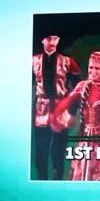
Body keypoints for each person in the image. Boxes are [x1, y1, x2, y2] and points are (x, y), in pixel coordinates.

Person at [55, 50, 100, 181]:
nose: (93, 71)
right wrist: (58, 114)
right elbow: (69, 100)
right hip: (84, 135)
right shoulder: (82, 85)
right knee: (81, 167)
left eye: (97, 68)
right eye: (90, 67)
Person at [32, 34, 81, 180]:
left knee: (59, 150)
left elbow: (78, 88)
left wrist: (72, 111)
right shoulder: (33, 61)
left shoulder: (68, 62)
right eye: (48, 38)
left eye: (55, 38)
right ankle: (41, 181)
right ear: (42, 40)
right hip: (42, 108)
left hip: (62, 107)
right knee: (41, 149)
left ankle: (57, 180)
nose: (52, 41)